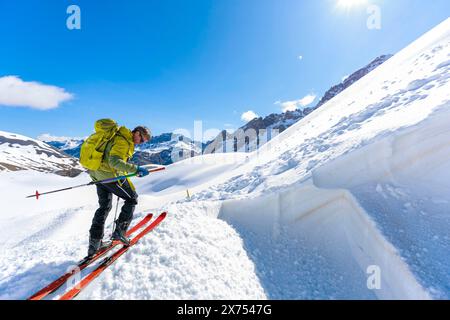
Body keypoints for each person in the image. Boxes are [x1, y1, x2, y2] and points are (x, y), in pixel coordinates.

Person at [87, 125, 151, 258]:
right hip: (109, 176)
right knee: (132, 198)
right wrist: (136, 169)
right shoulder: (123, 140)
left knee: (104, 207)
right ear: (137, 133)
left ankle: (94, 244)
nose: (141, 143)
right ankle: (120, 232)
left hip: (97, 174)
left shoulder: (117, 137)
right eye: (142, 140)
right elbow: (114, 162)